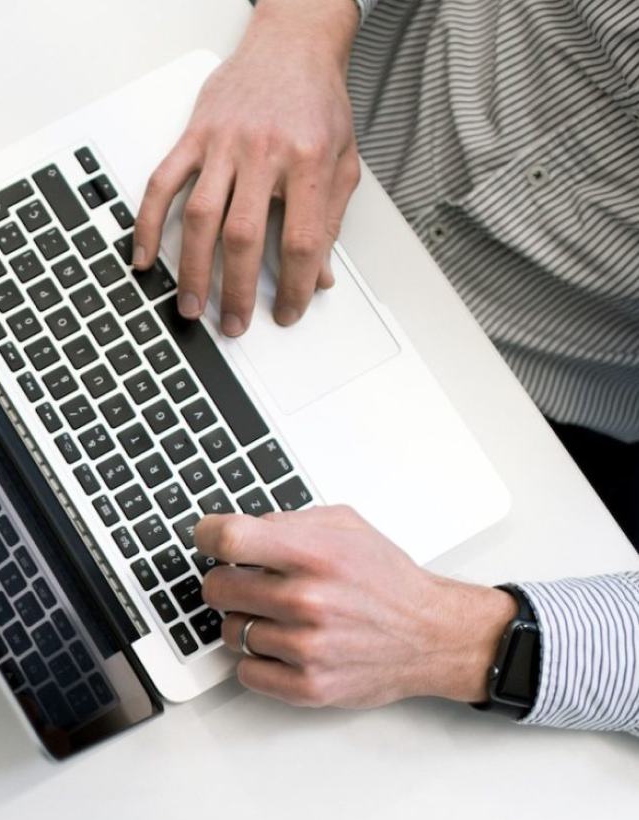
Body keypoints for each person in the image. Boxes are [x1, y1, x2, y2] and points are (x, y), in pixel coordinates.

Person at [132, 0, 639, 731]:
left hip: (516, 425)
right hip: (274, 121)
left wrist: (458, 638)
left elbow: (456, 634)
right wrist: (301, 27)